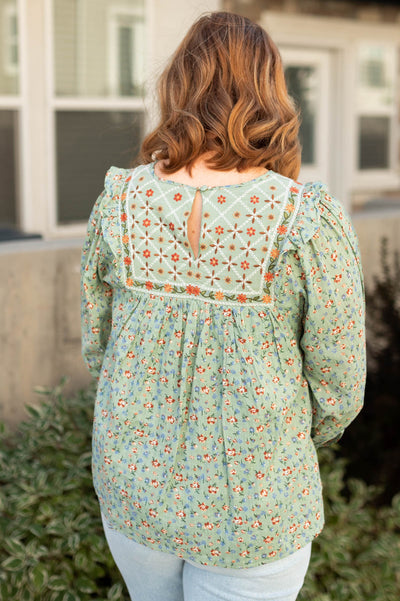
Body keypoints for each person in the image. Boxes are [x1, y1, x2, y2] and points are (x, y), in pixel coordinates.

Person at [80, 11, 366, 601]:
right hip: (256, 500)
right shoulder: (305, 218)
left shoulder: (119, 201)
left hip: (135, 479)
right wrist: (276, 432)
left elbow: (98, 341)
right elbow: (339, 382)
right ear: (270, 94)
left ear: (177, 86)